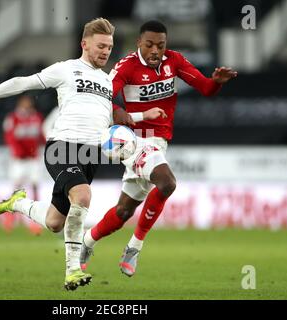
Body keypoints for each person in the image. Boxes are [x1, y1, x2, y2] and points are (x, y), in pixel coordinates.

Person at [0, 18, 164, 290]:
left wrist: (140, 116)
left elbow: (111, 115)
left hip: (91, 156)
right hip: (62, 147)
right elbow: (24, 82)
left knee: (55, 221)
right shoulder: (67, 70)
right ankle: (73, 270)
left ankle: (18, 203)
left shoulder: (106, 80)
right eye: (100, 46)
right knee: (83, 196)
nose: (105, 51)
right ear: (84, 44)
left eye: (109, 47)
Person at [80, 20, 238, 277]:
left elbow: (206, 88)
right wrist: (118, 109)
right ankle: (134, 247)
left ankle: (86, 242)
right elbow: (102, 97)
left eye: (161, 46)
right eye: (150, 44)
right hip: (133, 142)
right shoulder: (126, 66)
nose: (156, 51)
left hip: (158, 143)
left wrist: (216, 81)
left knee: (123, 212)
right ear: (139, 43)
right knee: (167, 183)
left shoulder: (174, 61)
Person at [2, 95, 46, 234]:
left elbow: (41, 136)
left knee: (34, 186)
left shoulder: (37, 117)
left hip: (33, 159)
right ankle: (10, 217)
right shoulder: (13, 118)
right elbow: (9, 137)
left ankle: (35, 220)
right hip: (19, 160)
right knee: (17, 188)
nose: (27, 105)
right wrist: (17, 151)